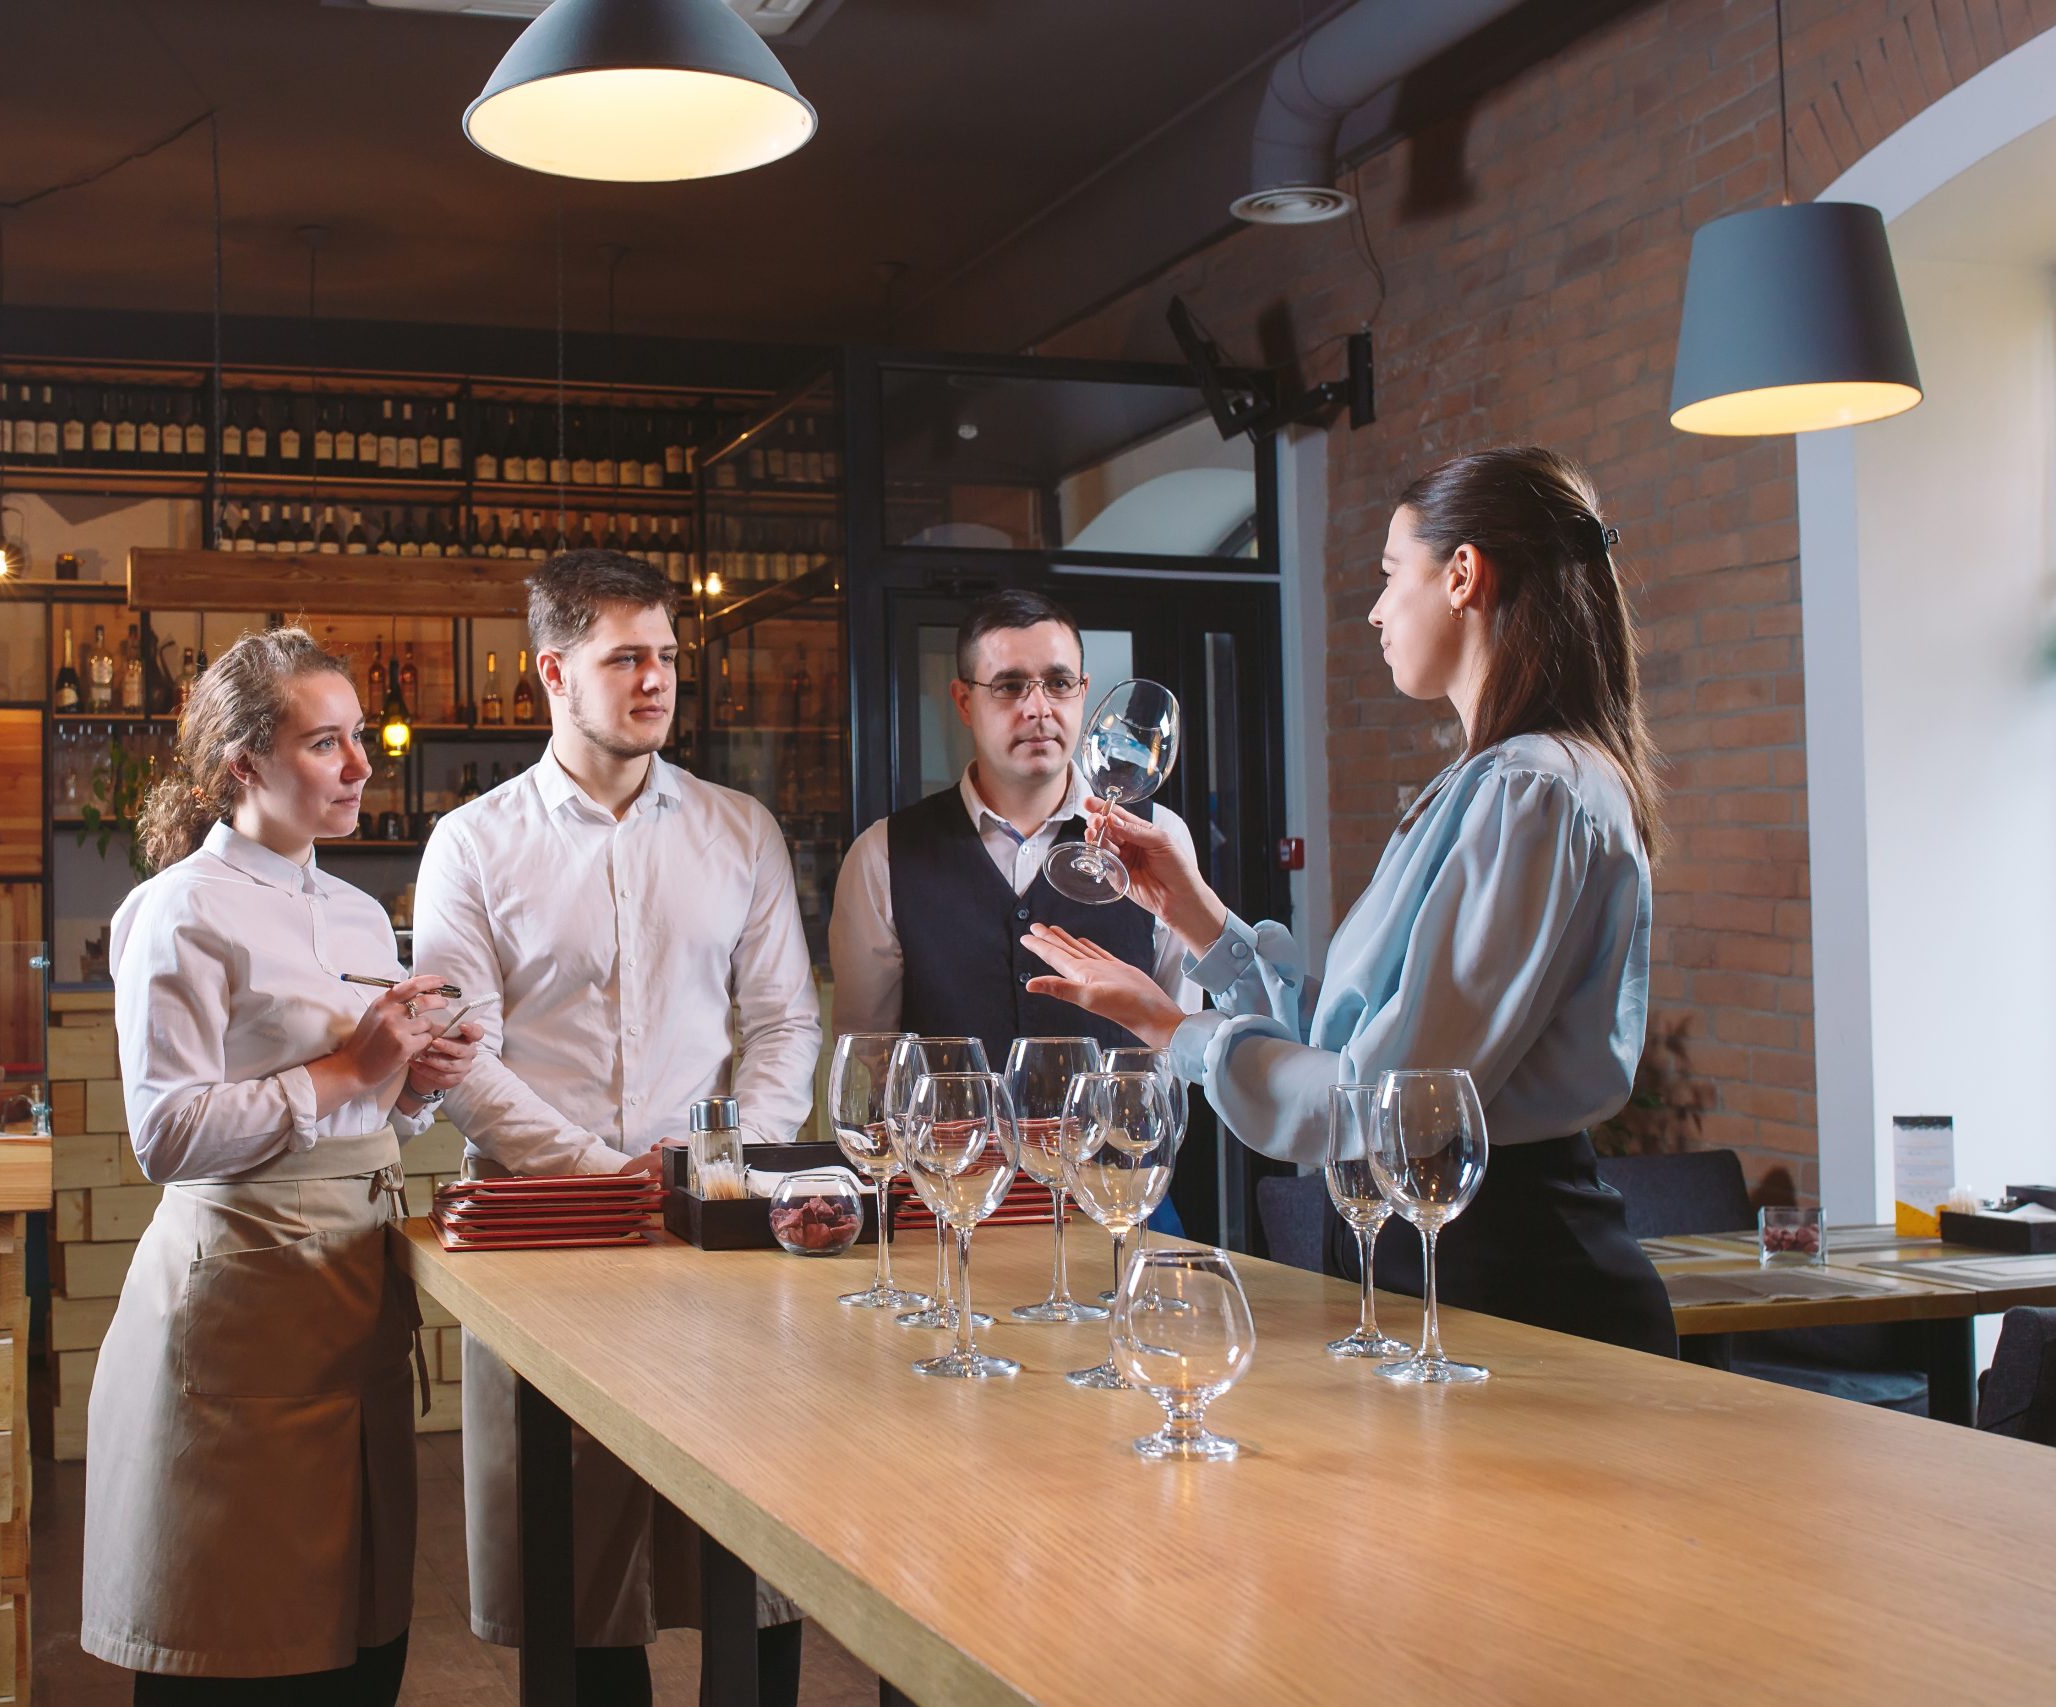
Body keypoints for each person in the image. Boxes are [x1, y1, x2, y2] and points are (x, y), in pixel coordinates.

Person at [1021, 446, 1677, 1356]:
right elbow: (1361, 1044)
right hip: (1449, 1266)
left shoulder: (1534, 791)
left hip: (1512, 1279)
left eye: (1386, 573)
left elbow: (1396, 1102)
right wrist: (1198, 914)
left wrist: (1176, 1030)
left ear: (1461, 575)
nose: (1373, 608)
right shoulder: (1494, 782)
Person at [412, 550, 821, 1706]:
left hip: (720, 1224)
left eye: (668, 658)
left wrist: (721, 1161)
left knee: (756, 1551)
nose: (656, 682)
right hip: (544, 1231)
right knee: (578, 1576)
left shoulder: (740, 831)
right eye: (625, 658)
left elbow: (786, 1020)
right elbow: (459, 1060)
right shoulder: (473, 844)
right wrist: (609, 1177)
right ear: (552, 671)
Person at [82, 626, 483, 1703]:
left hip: (351, 1292)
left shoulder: (354, 909)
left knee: (358, 1647)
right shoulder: (178, 910)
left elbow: (364, 1115)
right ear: (240, 766)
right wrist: (356, 1067)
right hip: (241, 1298)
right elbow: (164, 1137)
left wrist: (419, 1080)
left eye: (358, 740)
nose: (360, 767)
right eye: (325, 744)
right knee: (237, 1651)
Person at [828, 585, 1200, 1061]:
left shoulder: (1156, 838)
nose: (1038, 708)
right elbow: (869, 1055)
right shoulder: (883, 853)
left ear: (1083, 693)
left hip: (1114, 1139)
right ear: (963, 702)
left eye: (1059, 684)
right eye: (1009, 686)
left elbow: (1177, 1047)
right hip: (949, 1138)